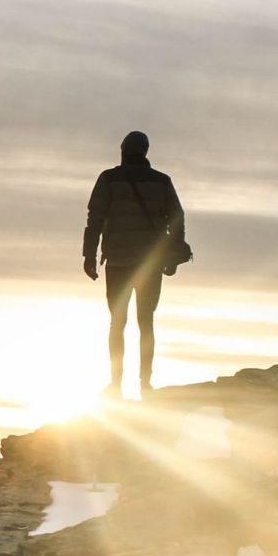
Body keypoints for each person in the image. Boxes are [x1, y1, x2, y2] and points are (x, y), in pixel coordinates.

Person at [82, 130, 190, 399]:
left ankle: (116, 384)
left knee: (117, 323)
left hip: (118, 261)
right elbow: (177, 218)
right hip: (150, 263)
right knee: (146, 322)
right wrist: (173, 256)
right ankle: (145, 384)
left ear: (123, 150)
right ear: (146, 151)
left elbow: (94, 218)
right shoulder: (162, 181)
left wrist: (89, 255)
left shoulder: (109, 179)